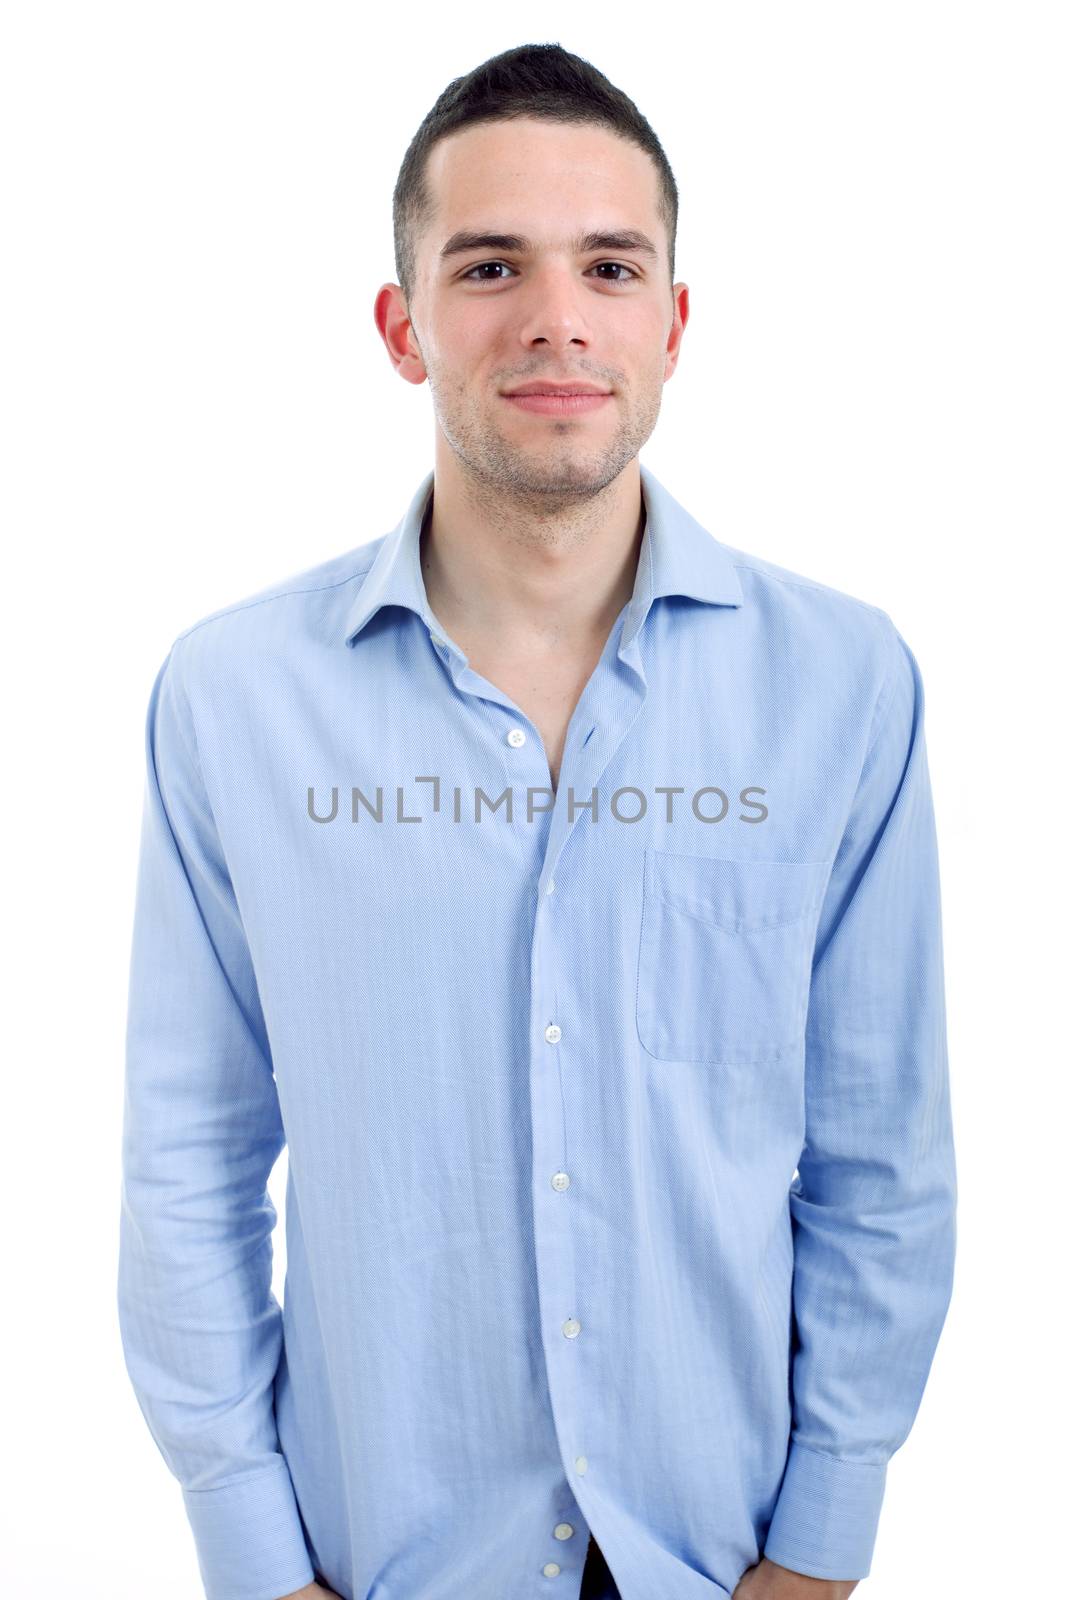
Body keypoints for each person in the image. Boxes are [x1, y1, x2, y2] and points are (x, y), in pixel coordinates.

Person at [117, 41, 957, 1600]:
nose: (558, 318)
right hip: (373, 1567)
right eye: (490, 263)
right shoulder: (232, 700)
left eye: (612, 266)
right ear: (403, 323)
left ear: (674, 324)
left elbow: (879, 1156)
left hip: (729, 1567)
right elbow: (188, 1158)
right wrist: (248, 1552)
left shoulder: (844, 688)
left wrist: (824, 1548)